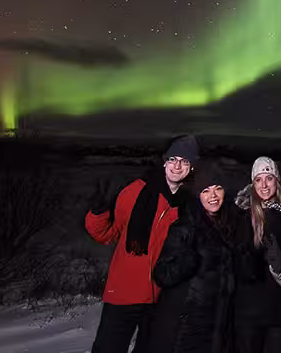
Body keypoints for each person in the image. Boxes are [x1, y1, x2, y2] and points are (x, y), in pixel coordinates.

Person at [85, 133, 200, 353]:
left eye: (185, 161)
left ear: (191, 168)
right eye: (173, 159)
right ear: (164, 161)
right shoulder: (136, 191)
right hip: (123, 293)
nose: (178, 166)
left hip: (159, 298)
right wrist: (98, 213)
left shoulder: (187, 206)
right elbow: (107, 234)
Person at [148, 159, 241, 353]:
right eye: (205, 190)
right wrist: (186, 263)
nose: (213, 196)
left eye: (217, 189)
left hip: (221, 319)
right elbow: (161, 274)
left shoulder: (233, 225)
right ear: (198, 195)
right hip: (190, 322)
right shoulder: (185, 227)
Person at [233, 156, 281, 353]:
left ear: (277, 181)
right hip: (249, 311)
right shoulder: (242, 216)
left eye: (269, 178)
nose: (264, 185)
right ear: (252, 184)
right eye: (258, 179)